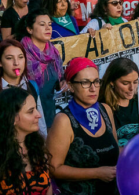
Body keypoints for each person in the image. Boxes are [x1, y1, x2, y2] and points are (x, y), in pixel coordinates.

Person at [48, 57, 119, 195]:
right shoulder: (63, 120)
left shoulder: (106, 110)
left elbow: (115, 148)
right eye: (85, 83)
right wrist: (96, 173)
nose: (93, 88)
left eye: (96, 81)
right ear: (71, 86)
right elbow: (53, 168)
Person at [0, 87, 52, 195]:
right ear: (12, 118)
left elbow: (48, 188)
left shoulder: (37, 145)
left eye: (36, 109)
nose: (38, 115)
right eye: (31, 111)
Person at [0, 39, 47, 156]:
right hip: (1, 155)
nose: (16, 63)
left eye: (21, 57)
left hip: (30, 152)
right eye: (9, 58)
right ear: (0, 62)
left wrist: (44, 152)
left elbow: (41, 125)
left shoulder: (32, 87)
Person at [15, 9, 63, 127]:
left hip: (50, 115)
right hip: (26, 120)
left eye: (50, 24)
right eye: (42, 25)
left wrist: (64, 83)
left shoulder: (54, 54)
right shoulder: (19, 56)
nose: (48, 28)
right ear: (29, 29)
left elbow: (58, 82)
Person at [100, 57, 139, 146]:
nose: (132, 88)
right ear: (112, 82)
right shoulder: (102, 109)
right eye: (125, 83)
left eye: (135, 82)